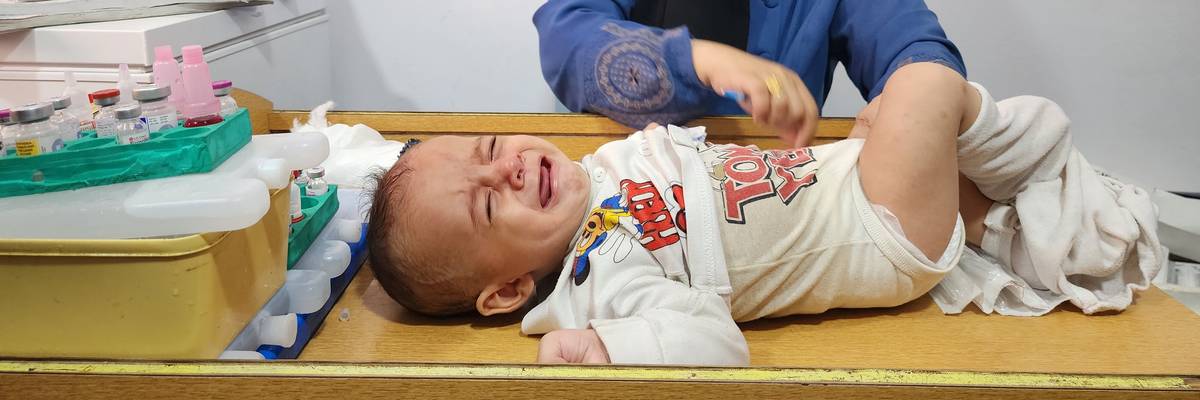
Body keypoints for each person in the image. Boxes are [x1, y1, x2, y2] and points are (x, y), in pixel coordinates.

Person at [363, 62, 1163, 365]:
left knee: (887, 112)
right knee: (924, 86)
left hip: (844, 175)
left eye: (490, 146)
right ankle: (1036, 176)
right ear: (506, 290)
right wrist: (605, 346)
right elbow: (718, 344)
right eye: (488, 201)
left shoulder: (594, 174)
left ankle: (994, 222)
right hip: (879, 235)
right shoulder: (603, 279)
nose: (507, 166)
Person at [533, 0, 966, 147]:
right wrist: (696, 59)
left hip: (780, 203)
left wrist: (916, 100)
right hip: (633, 209)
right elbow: (565, 37)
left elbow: (916, 49)